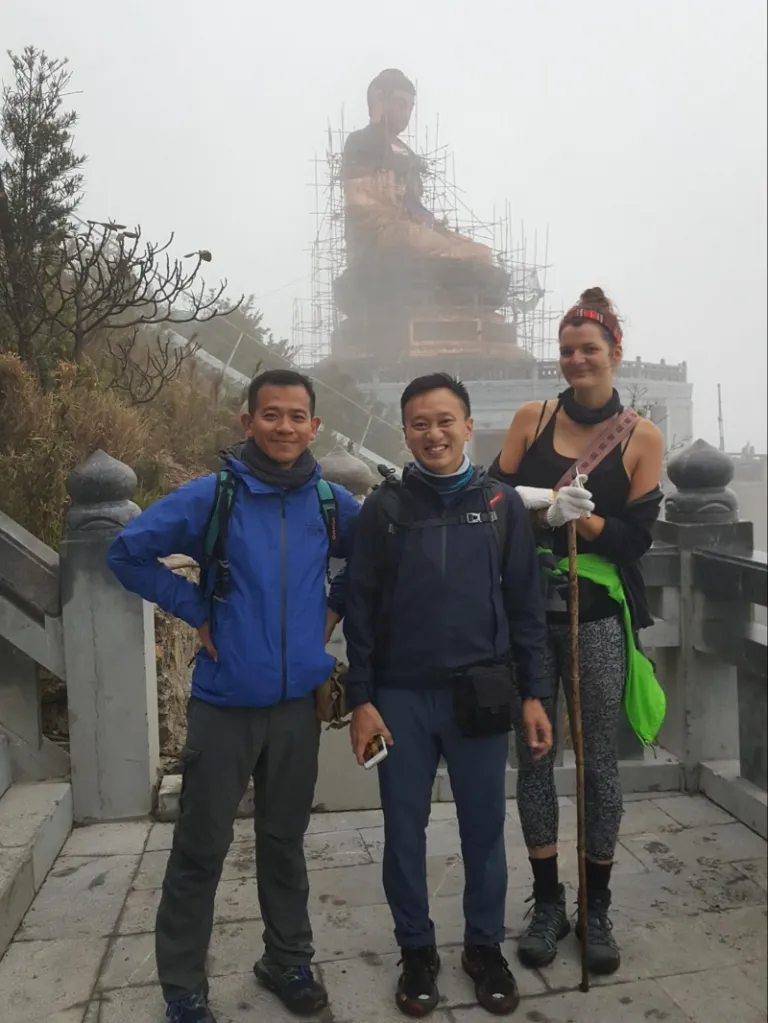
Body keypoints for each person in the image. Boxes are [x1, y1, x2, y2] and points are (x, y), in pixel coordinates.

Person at [107, 369, 360, 1023]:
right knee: (201, 847)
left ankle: (287, 958)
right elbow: (126, 553)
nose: (284, 426)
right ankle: (183, 988)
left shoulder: (330, 502)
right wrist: (197, 608)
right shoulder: (212, 496)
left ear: (315, 427)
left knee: (285, 840)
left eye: (297, 416)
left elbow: (376, 558)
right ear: (247, 421)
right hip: (225, 704)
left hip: (298, 706)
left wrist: (334, 605)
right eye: (270, 414)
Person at [343, 372, 553, 1018]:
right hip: (400, 697)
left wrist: (534, 694)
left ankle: (484, 947)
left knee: (484, 829)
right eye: (419, 423)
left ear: (467, 426)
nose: (433, 434)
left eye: (444, 421)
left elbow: (526, 607)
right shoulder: (384, 510)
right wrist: (361, 699)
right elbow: (360, 609)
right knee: (403, 831)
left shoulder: (500, 506)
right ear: (405, 431)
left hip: (480, 696)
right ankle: (417, 949)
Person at [488, 287, 664, 977]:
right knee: (534, 755)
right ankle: (547, 902)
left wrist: (581, 518)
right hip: (530, 614)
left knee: (597, 764)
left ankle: (596, 904)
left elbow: (635, 539)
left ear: (615, 352)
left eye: (589, 349)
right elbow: (492, 504)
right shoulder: (531, 420)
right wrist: (539, 506)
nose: (576, 360)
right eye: (566, 350)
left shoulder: (641, 437)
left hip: (596, 617)